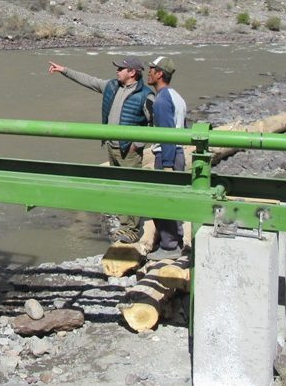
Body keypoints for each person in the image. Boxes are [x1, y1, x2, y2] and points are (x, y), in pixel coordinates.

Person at [48, 56, 153, 242]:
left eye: (121, 68)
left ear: (133, 72)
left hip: (129, 150)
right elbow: (88, 80)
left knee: (131, 188)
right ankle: (124, 223)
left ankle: (133, 229)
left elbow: (155, 124)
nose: (117, 71)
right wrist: (64, 70)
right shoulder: (111, 86)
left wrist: (137, 145)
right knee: (118, 187)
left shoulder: (146, 95)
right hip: (112, 147)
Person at [145, 55, 187, 259]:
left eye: (151, 69)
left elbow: (167, 134)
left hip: (167, 155)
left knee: (164, 200)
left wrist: (168, 164)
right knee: (174, 199)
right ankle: (175, 242)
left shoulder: (161, 100)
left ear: (160, 73)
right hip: (177, 153)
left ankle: (169, 247)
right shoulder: (176, 96)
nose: (148, 72)